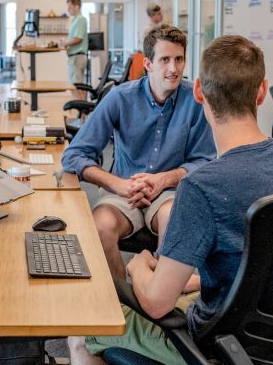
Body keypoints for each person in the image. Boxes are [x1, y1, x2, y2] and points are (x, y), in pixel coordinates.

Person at [70, 35, 273, 364]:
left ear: (199, 91)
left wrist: (138, 266)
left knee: (79, 330)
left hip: (215, 346)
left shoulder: (202, 187)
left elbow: (157, 304)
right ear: (262, 92)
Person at [61, 25, 215, 281]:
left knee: (174, 219)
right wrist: (117, 184)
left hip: (169, 193)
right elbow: (74, 155)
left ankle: (159, 297)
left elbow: (206, 161)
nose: (173, 69)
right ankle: (125, 299)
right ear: (148, 64)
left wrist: (163, 180)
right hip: (123, 191)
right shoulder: (120, 98)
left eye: (179, 59)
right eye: (164, 60)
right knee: (100, 226)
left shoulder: (195, 100)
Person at [64, 0, 88, 85]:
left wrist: (65, 43)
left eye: (70, 7)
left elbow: (79, 38)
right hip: (74, 57)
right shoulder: (75, 20)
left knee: (77, 85)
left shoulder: (80, 19)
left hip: (78, 57)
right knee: (75, 85)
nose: (68, 9)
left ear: (76, 7)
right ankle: (79, 99)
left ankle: (79, 99)